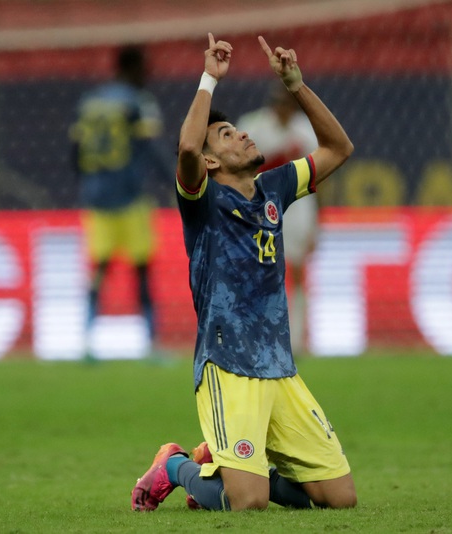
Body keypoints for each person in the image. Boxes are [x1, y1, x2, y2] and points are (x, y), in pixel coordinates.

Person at [130, 33, 357, 512]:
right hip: (227, 365)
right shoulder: (203, 200)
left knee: (340, 498)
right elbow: (188, 146)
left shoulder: (274, 187)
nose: (242, 134)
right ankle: (175, 465)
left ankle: (233, 462)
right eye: (227, 134)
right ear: (211, 161)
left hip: (280, 367)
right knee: (247, 503)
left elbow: (339, 147)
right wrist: (210, 76)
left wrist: (296, 85)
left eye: (238, 128)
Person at [70, 44, 171, 358]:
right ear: (134, 68)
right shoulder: (139, 102)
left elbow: (74, 151)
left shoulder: (90, 102)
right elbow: (152, 148)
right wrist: (176, 183)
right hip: (130, 196)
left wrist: (87, 182)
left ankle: (86, 341)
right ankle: (152, 343)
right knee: (141, 268)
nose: (149, 74)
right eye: (145, 67)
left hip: (96, 197)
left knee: (99, 267)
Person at [237, 82, 319, 354]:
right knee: (261, 270)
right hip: (261, 207)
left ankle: (296, 339)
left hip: (299, 209)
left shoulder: (305, 130)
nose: (282, 108)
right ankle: (260, 333)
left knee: (296, 271)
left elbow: (319, 178)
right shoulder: (253, 127)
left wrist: (319, 223)